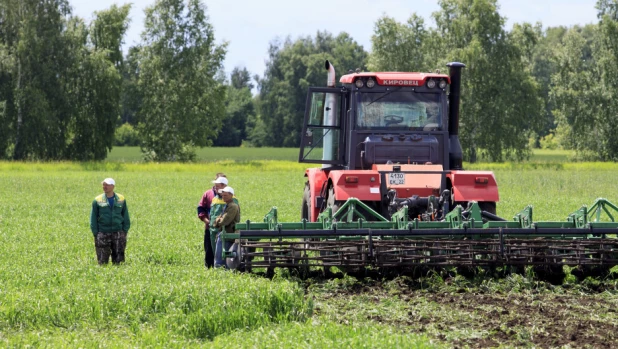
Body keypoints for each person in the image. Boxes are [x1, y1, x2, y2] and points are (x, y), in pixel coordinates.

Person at [90, 178, 131, 265]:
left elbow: (125, 215)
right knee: (102, 261)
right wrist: (96, 233)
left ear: (113, 186)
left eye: (107, 185)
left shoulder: (121, 199)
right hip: (103, 233)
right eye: (103, 185)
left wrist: (124, 231)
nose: (105, 187)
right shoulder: (97, 200)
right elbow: (93, 218)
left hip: (118, 233)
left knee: (119, 261)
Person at [197, 173, 226, 268]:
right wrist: (207, 222)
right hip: (210, 229)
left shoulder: (229, 194)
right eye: (217, 183)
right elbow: (200, 209)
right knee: (209, 251)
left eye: (221, 184)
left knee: (224, 251)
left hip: (225, 230)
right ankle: (209, 270)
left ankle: (222, 268)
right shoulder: (208, 194)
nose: (218, 186)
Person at [213, 186, 241, 268]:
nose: (223, 197)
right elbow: (217, 220)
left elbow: (224, 221)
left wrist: (218, 221)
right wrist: (218, 220)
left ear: (231, 195)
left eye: (225, 195)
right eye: (222, 195)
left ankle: (221, 271)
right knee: (220, 256)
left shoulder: (233, 206)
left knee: (221, 258)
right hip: (224, 234)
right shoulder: (227, 205)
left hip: (228, 234)